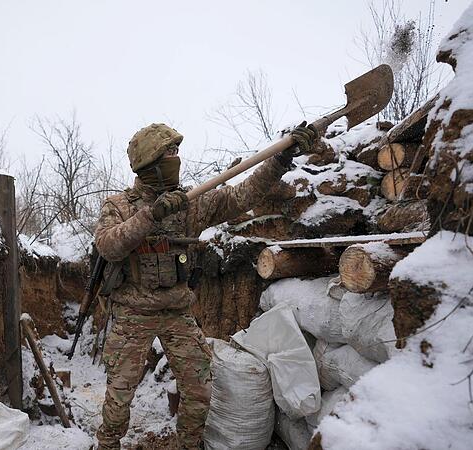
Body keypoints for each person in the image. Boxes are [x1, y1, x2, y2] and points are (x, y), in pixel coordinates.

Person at [93, 122, 318, 449]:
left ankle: (189, 444)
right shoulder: (119, 206)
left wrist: (279, 161)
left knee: (199, 390)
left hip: (177, 312)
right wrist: (150, 216)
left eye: (176, 153)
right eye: (169, 154)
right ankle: (108, 444)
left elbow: (242, 195)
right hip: (133, 315)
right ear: (149, 163)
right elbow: (108, 246)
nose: (176, 159)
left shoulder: (190, 203)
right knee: (120, 395)